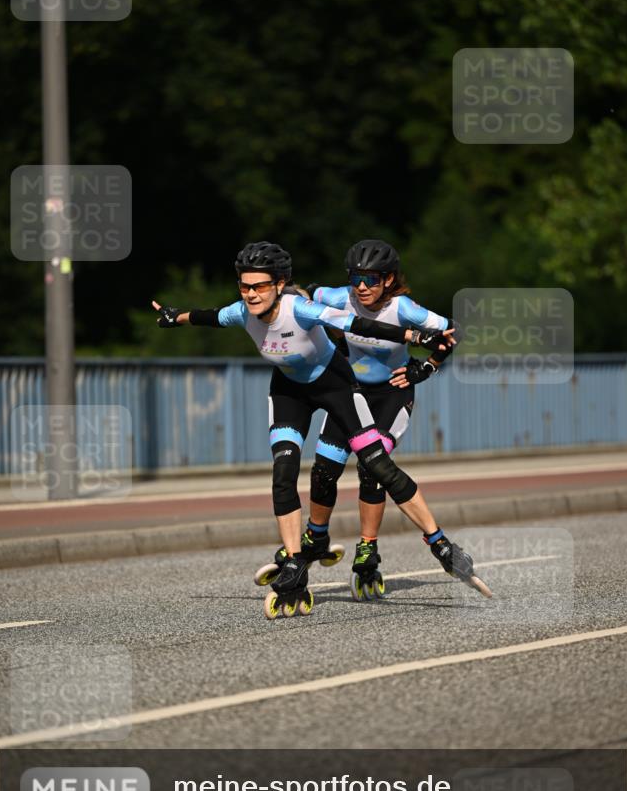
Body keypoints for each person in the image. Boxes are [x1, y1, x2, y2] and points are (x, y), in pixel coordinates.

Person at [153, 241, 489, 620]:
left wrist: (423, 358)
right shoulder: (251, 310)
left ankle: (429, 544)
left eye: (259, 286)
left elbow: (358, 324)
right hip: (290, 391)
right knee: (297, 470)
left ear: (279, 285)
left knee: (375, 467)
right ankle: (302, 555)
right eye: (245, 286)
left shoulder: (344, 309)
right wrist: (175, 317)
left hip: (351, 387)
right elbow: (209, 316)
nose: (250, 294)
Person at [305, 238, 455, 599]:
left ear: (388, 279)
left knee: (372, 467)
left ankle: (367, 547)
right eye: (355, 277)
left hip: (391, 395)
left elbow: (453, 332)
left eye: (370, 279)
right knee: (324, 468)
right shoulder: (340, 297)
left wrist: (427, 367)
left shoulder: (403, 308)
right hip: (352, 393)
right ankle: (315, 537)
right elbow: (302, 294)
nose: (361, 287)